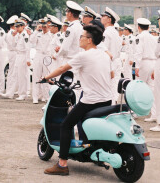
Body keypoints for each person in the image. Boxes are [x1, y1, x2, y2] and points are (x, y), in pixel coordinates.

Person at [43, 25, 112, 176]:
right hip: (107, 100)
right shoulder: (105, 55)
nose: (79, 39)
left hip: (91, 100)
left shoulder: (83, 56)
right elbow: (110, 74)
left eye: (82, 36)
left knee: (66, 125)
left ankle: (62, 164)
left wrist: (46, 77)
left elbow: (62, 69)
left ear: (89, 40)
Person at [100, 7, 122, 104]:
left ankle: (110, 108)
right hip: (116, 61)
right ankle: (113, 105)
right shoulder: (115, 32)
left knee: (108, 87)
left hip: (109, 62)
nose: (102, 18)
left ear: (109, 19)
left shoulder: (107, 32)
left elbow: (104, 50)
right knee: (114, 87)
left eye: (104, 16)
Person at [29, 18, 52, 103]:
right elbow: (31, 40)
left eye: (45, 26)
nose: (44, 27)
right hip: (38, 55)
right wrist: (36, 30)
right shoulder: (38, 34)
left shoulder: (50, 35)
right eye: (42, 26)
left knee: (45, 76)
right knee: (36, 76)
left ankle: (45, 96)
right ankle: (35, 97)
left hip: (46, 55)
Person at [12, 19, 32, 101]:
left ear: (23, 27)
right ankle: (21, 93)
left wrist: (28, 59)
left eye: (18, 26)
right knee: (18, 75)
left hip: (23, 56)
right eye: (16, 26)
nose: (17, 28)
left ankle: (23, 94)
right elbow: (14, 46)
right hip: (18, 55)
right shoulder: (18, 35)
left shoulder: (25, 35)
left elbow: (27, 48)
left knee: (22, 76)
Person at [1, 15, 19, 99]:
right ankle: (10, 92)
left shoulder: (9, 33)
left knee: (12, 73)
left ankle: (10, 91)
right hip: (14, 53)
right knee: (13, 73)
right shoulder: (13, 33)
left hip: (12, 53)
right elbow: (15, 44)